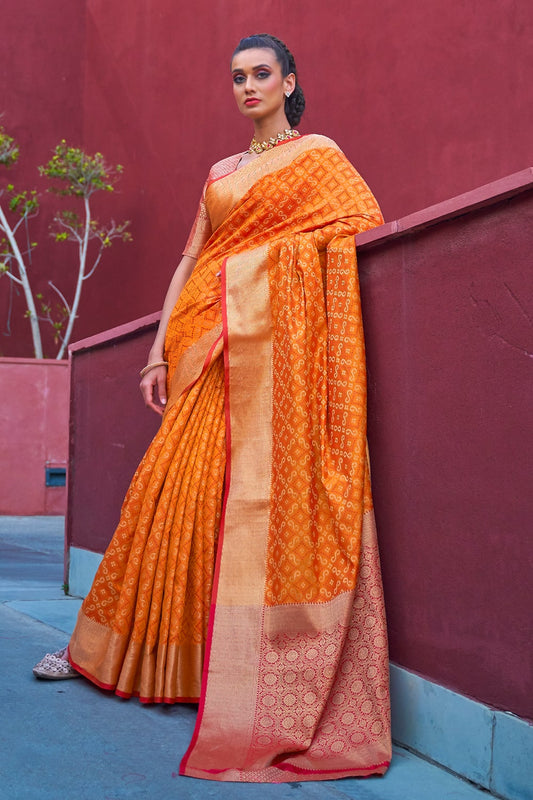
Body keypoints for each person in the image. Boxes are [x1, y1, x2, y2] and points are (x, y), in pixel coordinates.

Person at [33, 33, 391, 782]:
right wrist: (157, 350)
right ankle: (110, 651)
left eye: (261, 73)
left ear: (288, 81)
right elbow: (191, 261)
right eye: (237, 77)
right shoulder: (221, 172)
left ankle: (224, 671)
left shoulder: (318, 157)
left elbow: (352, 227)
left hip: (272, 354)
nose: (248, 86)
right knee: (167, 496)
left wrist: (267, 276)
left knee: (239, 508)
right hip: (205, 342)